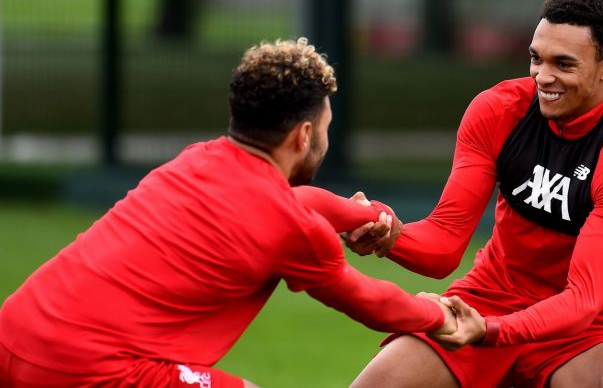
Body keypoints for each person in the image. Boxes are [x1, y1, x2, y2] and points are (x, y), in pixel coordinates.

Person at [0, 38, 456, 388]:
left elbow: (289, 205)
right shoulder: (291, 230)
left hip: (13, 339)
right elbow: (370, 302)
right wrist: (439, 315)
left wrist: (361, 215)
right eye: (325, 129)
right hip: (87, 370)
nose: (324, 139)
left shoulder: (194, 161)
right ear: (302, 136)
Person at [340, 0, 603, 388]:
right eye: (536, 58)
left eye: (563, 64)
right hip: (489, 297)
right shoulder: (498, 110)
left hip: (586, 330)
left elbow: (583, 299)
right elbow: (444, 243)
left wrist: (491, 331)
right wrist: (388, 235)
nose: (542, 76)